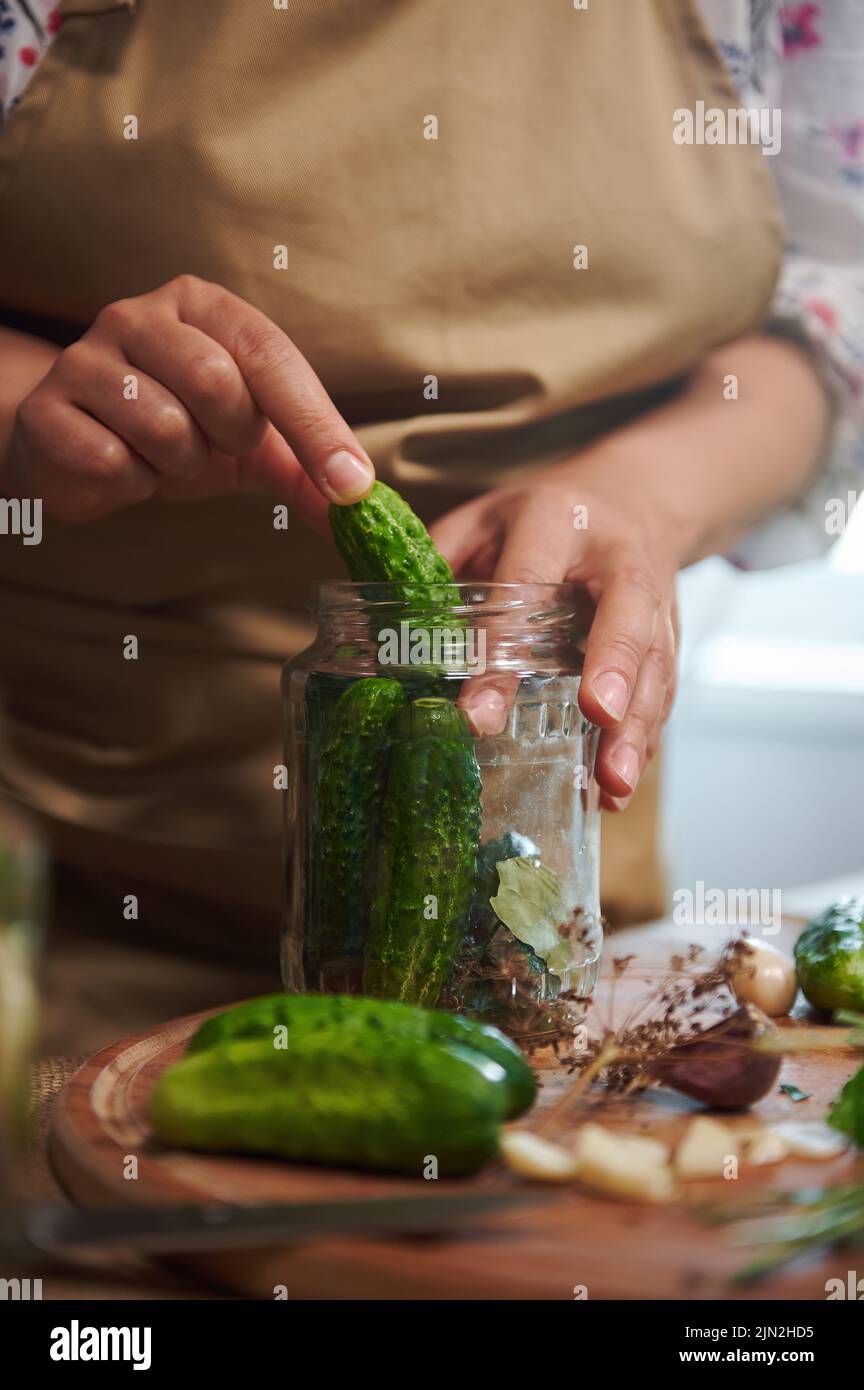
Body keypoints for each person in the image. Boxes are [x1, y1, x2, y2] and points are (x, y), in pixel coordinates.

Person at [0, 1, 861, 1050]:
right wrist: (35, 408)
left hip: (535, 945)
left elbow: (835, 295)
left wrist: (639, 492)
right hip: (73, 899)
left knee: (545, 1124)